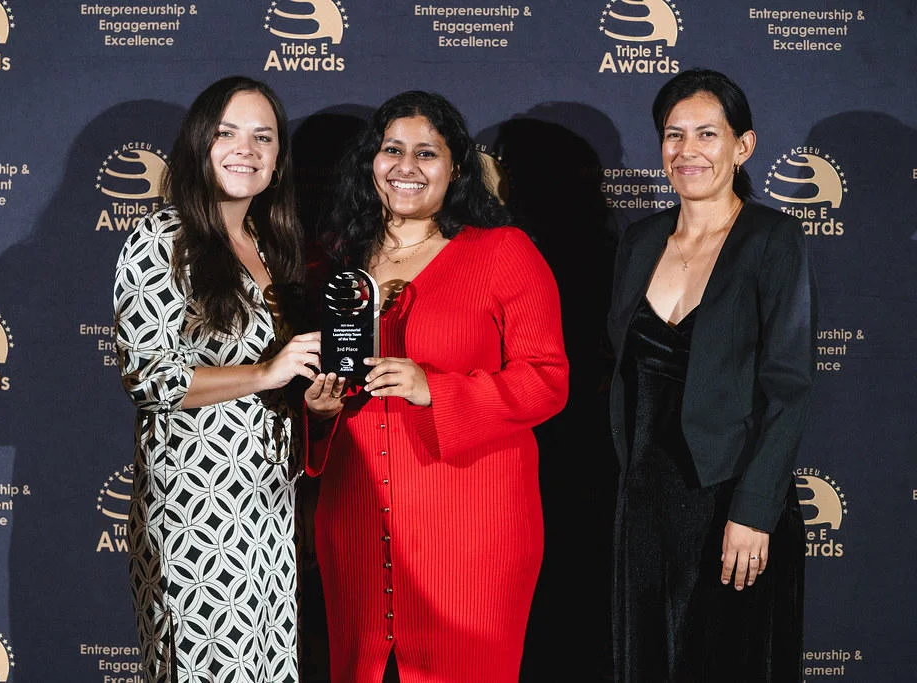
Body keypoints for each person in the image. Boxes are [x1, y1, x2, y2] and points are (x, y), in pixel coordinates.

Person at [302, 91, 569, 683]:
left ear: (456, 168)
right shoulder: (339, 264)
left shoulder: (504, 253)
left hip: (473, 527)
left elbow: (548, 381)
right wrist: (317, 413)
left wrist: (435, 389)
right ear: (370, 162)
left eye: (427, 153)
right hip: (357, 517)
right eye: (391, 150)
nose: (406, 166)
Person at [606, 68, 818, 682]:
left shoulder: (773, 238)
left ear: (741, 146)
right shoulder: (639, 241)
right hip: (644, 502)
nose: (687, 151)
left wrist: (754, 510)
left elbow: (789, 387)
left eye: (707, 134)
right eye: (674, 136)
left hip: (730, 498)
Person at [113, 75, 322, 683]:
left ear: (279, 159)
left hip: (269, 509)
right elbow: (150, 377)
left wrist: (311, 396)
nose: (246, 149)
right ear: (200, 143)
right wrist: (264, 371)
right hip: (196, 515)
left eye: (264, 137)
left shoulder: (270, 242)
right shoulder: (161, 238)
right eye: (228, 133)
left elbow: (278, 380)